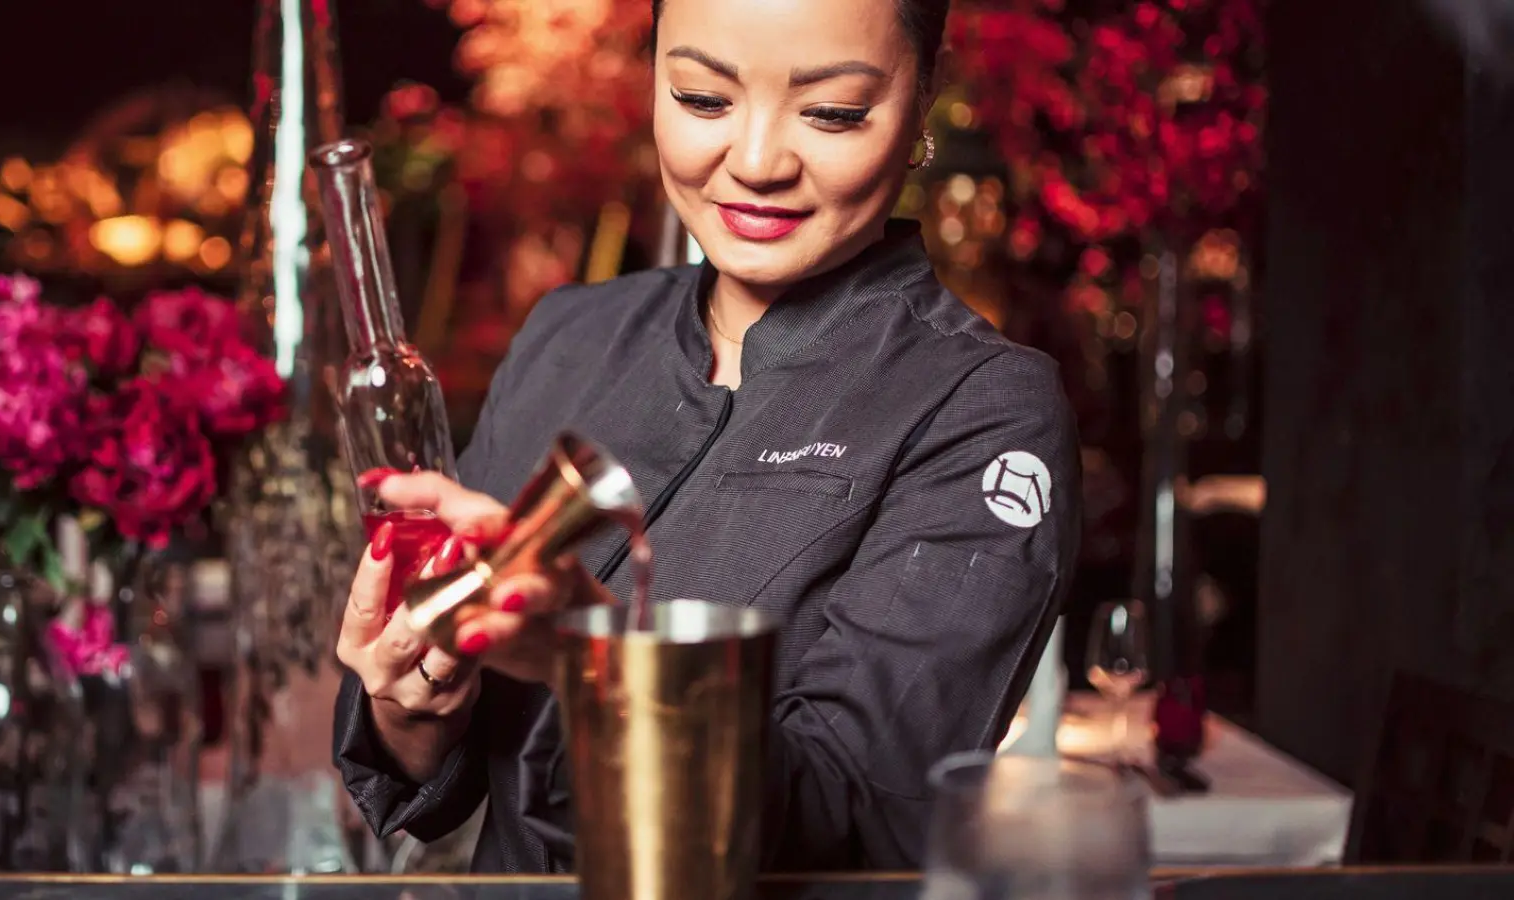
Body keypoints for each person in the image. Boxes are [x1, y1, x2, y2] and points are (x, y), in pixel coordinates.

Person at [333, 0, 1081, 872]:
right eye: (702, 99)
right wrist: (414, 696)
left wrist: (599, 658)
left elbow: (861, 818)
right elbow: (440, 775)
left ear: (921, 103)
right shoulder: (568, 336)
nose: (757, 163)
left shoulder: (981, 408)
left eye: (831, 112)